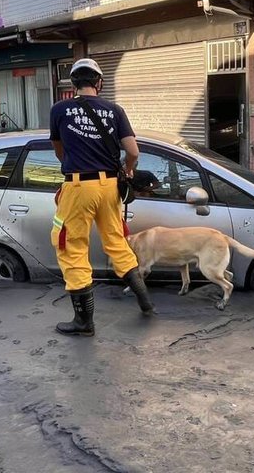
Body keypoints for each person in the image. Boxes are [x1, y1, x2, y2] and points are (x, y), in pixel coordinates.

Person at [49, 57, 154, 336]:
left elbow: (59, 151)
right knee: (116, 240)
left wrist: (72, 162)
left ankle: (84, 322)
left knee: (71, 247)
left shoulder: (59, 109)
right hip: (109, 187)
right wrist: (129, 171)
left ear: (73, 84)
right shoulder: (115, 110)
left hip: (78, 186)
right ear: (99, 82)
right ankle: (145, 303)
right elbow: (132, 152)